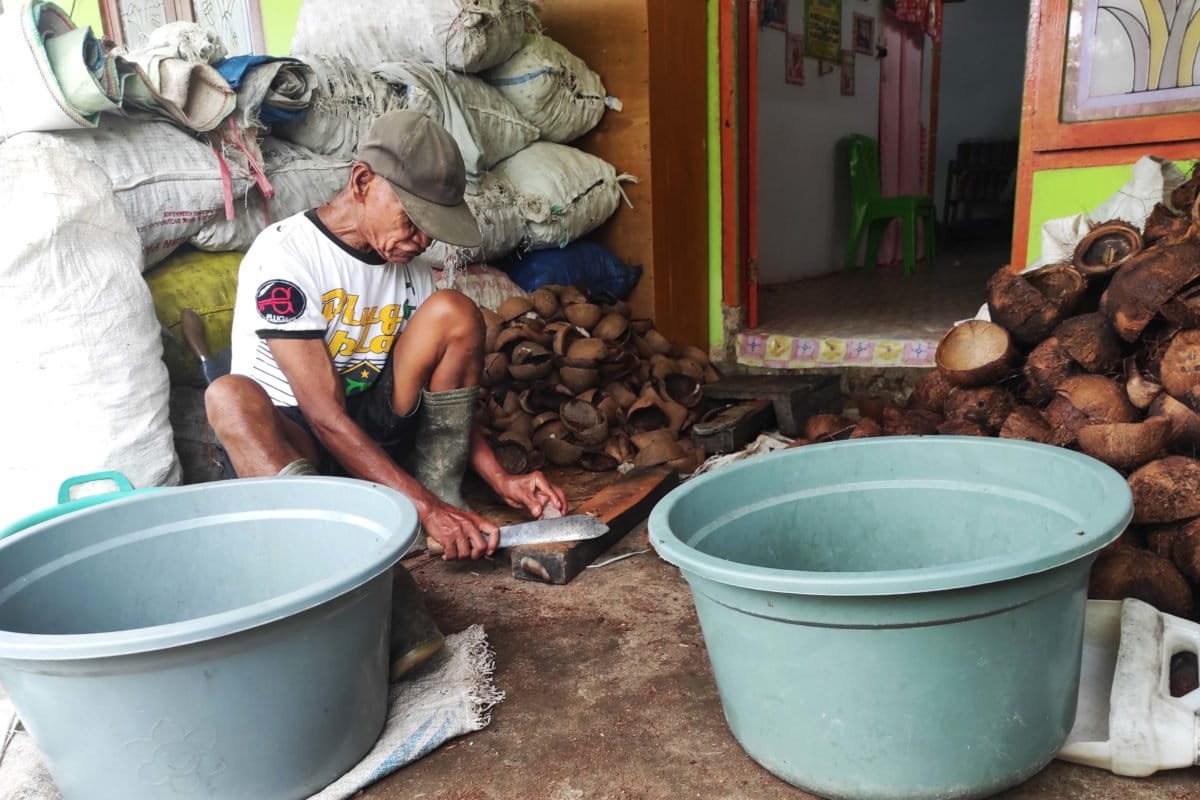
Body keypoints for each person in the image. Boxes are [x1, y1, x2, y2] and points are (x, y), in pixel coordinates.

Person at [205, 111, 567, 678]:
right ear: (362, 181)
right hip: (299, 444)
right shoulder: (286, 257)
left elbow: (446, 400)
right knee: (228, 396)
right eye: (412, 219)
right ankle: (374, 588)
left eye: (431, 226)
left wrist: (500, 479)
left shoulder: (410, 268)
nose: (421, 239)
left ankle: (440, 499)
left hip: (372, 434)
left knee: (454, 311)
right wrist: (425, 510)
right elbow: (323, 416)